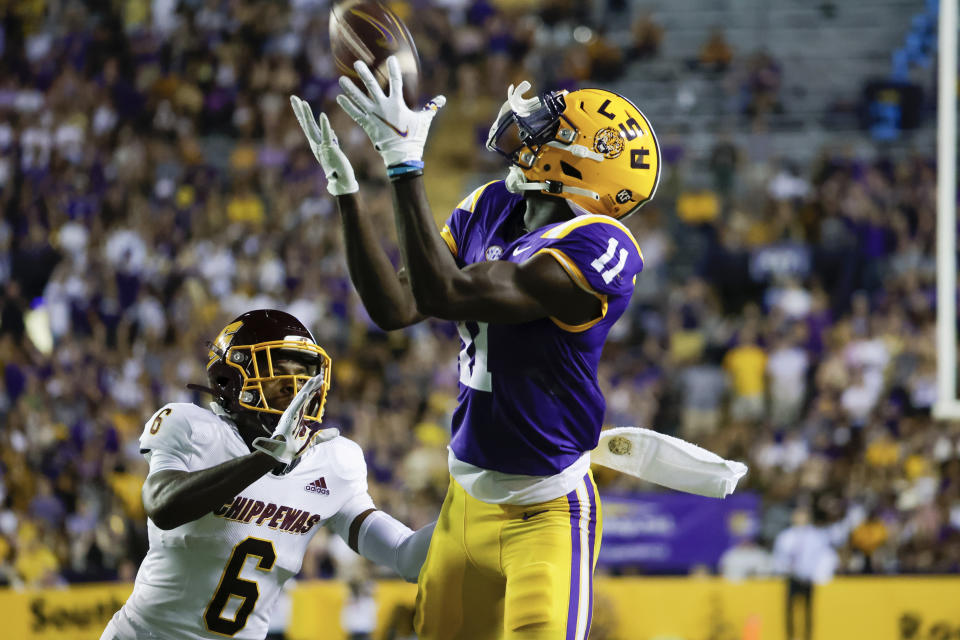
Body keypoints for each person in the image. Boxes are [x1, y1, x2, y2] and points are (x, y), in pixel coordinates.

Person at [291, 55, 660, 640]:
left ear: (580, 165)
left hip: (546, 513)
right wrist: (348, 191)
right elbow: (397, 308)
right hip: (464, 500)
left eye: (551, 132)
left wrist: (405, 164)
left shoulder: (600, 245)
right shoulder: (491, 204)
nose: (528, 132)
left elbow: (448, 291)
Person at [100, 309, 434, 640]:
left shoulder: (333, 462)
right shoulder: (192, 427)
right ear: (230, 380)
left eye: (303, 377)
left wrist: (473, 511)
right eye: (278, 373)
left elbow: (405, 555)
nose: (294, 388)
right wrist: (266, 458)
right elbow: (162, 506)